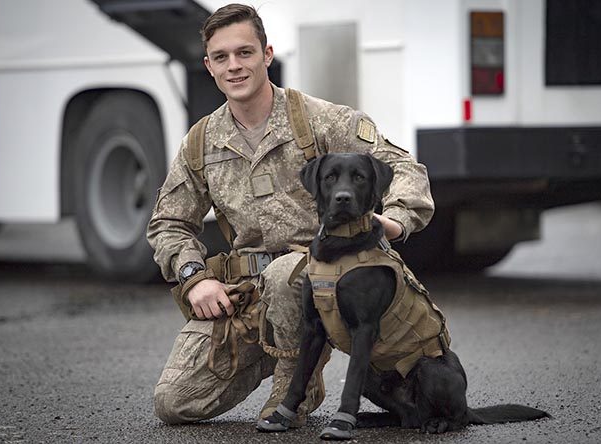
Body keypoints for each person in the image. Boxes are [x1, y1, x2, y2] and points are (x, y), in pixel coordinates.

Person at [146, 3, 434, 426]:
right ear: (208, 66)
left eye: (245, 53)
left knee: (285, 276)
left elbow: (403, 167)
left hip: (325, 277)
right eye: (222, 57)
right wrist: (195, 277)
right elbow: (168, 223)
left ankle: (298, 383)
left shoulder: (320, 120)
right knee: (174, 404)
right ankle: (273, 348)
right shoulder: (202, 140)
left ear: (267, 55)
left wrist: (394, 219)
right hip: (246, 294)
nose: (235, 66)